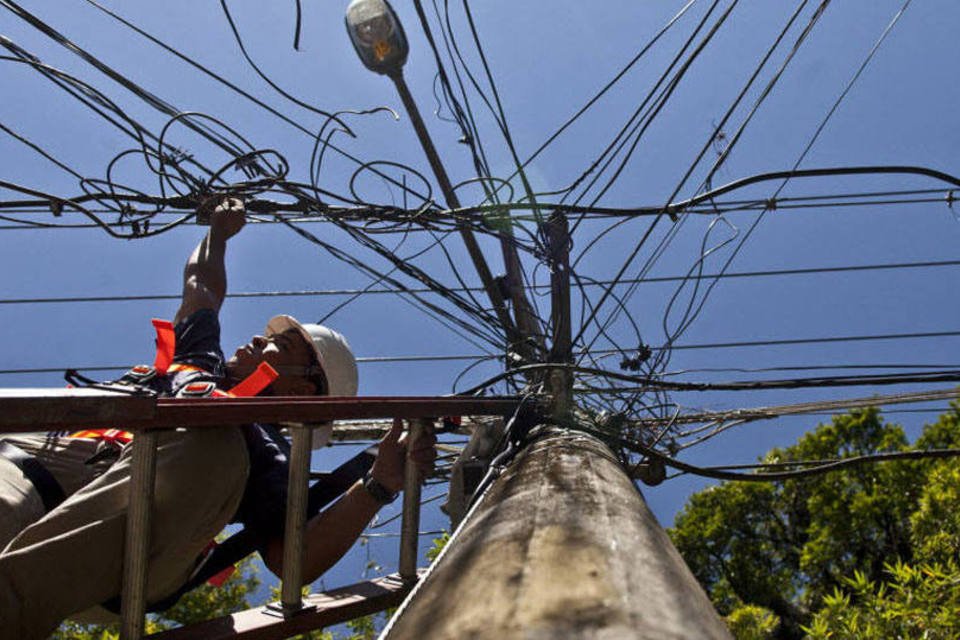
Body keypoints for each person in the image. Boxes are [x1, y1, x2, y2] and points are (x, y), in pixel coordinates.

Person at [0, 197, 436, 639]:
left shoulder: (265, 451)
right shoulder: (198, 365)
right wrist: (218, 234)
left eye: (279, 346)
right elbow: (201, 286)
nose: (255, 338)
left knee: (215, 438)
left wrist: (377, 487)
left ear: (301, 390)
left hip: (127, 542)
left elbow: (294, 559)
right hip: (37, 463)